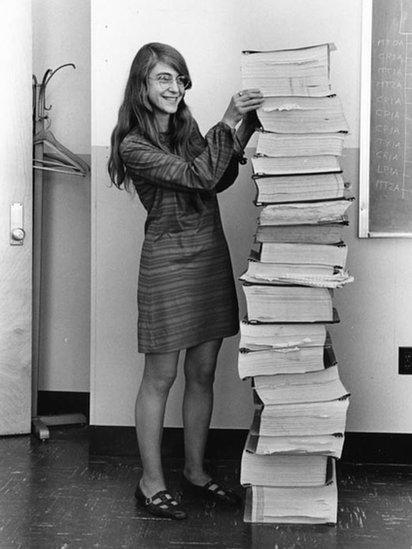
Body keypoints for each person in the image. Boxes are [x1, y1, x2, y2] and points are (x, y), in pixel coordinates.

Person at [108, 42, 263, 520]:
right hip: (167, 262)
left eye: (178, 79)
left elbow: (215, 179)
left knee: (201, 373)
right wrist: (228, 117)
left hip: (206, 255)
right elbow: (197, 175)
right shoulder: (133, 144)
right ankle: (150, 482)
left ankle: (195, 472)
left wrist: (248, 125)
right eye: (163, 79)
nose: (174, 88)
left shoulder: (186, 126)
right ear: (142, 84)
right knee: (161, 377)